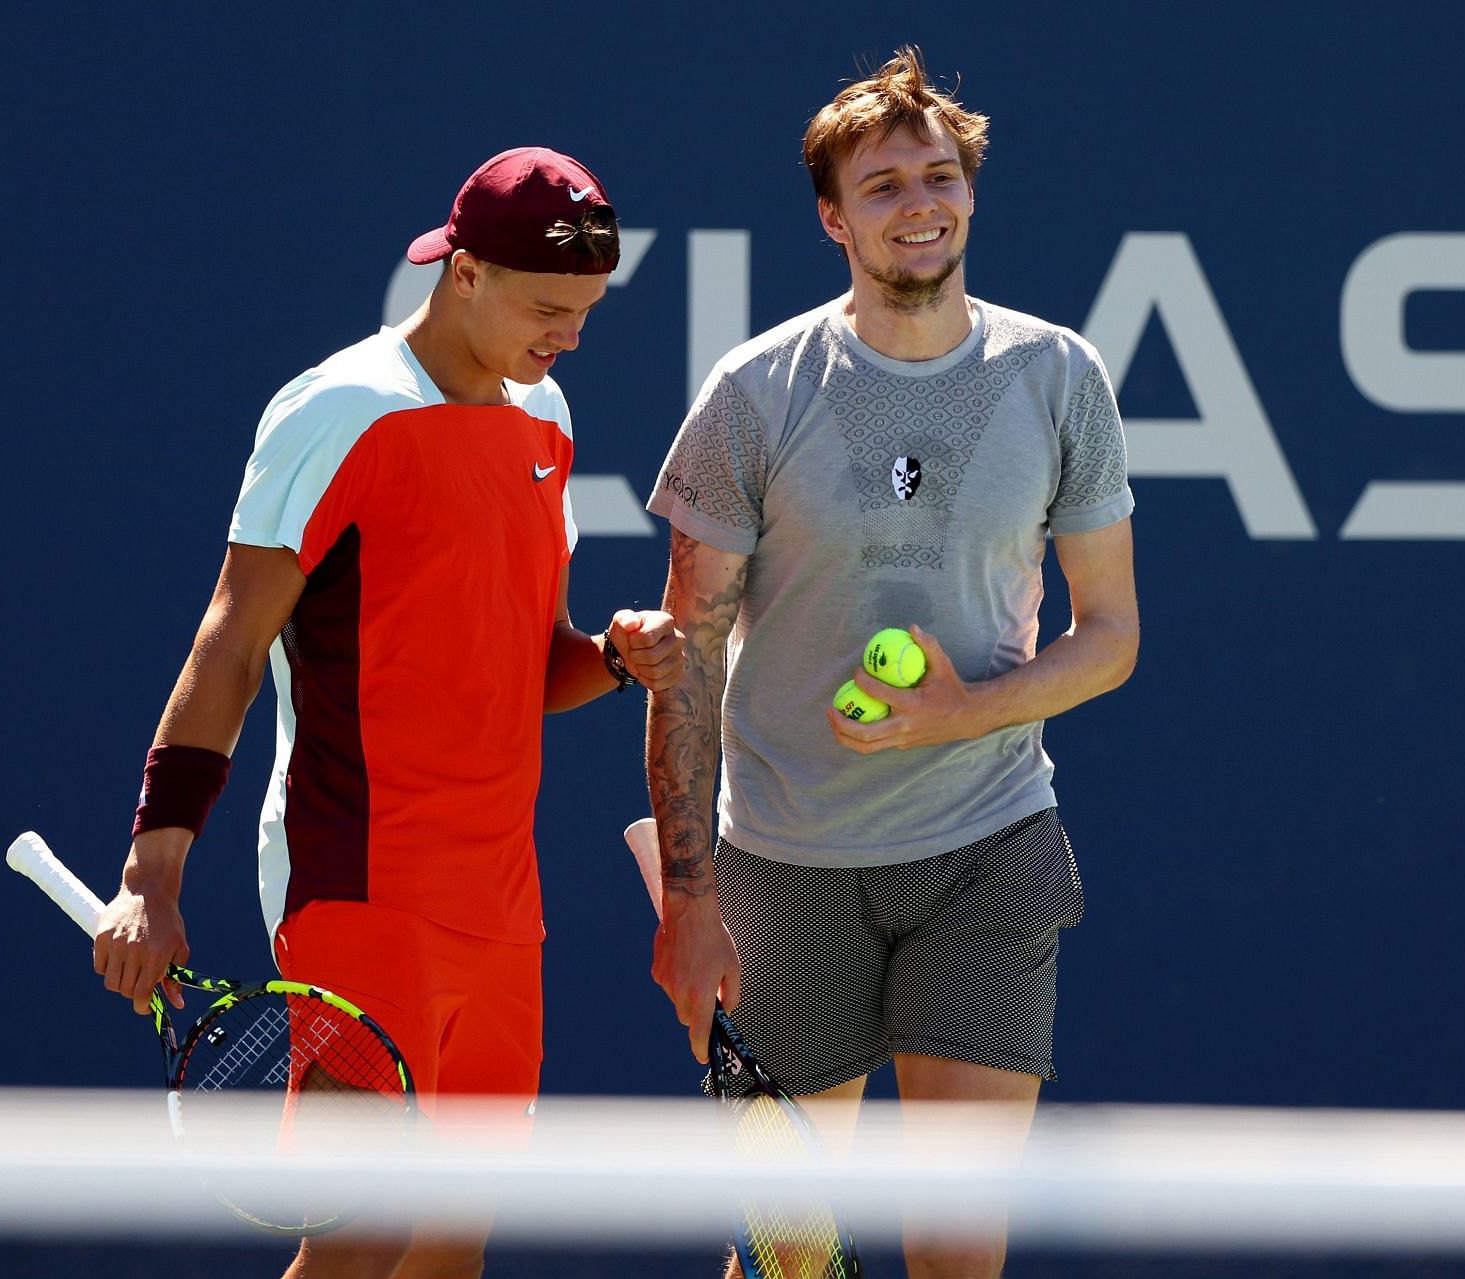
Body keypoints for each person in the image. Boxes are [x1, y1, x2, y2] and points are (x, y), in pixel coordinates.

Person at [92, 146, 683, 1279]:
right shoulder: (341, 408)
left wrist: (612, 656)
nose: (569, 336)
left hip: (501, 897)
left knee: (448, 1247)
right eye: (549, 308)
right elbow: (228, 644)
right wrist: (149, 876)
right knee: (363, 1236)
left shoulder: (546, 418)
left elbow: (528, 666)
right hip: (359, 873)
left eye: (588, 310)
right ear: (462, 273)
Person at [643, 47, 1139, 1279]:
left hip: (990, 849)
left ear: (970, 192)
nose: (919, 201)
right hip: (786, 863)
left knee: (959, 1250)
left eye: (939, 175)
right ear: (832, 216)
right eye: (882, 185)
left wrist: (962, 713)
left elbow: (1111, 635)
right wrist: (693, 899)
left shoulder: (1062, 374)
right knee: (785, 1259)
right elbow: (690, 660)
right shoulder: (753, 394)